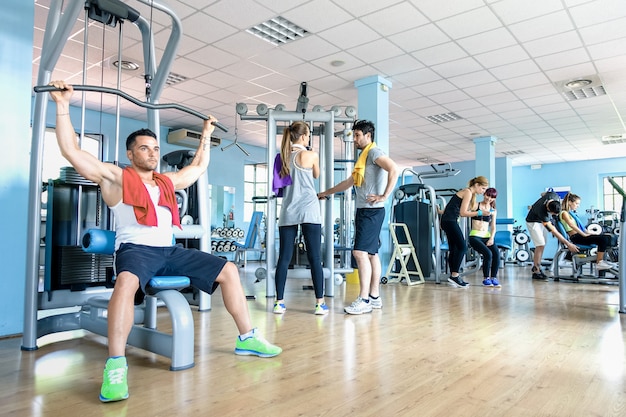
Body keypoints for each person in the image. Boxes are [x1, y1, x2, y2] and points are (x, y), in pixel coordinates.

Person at [47, 80, 281, 403]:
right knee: (126, 283)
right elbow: (71, 152)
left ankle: (247, 337)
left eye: (155, 149)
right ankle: (115, 364)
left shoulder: (166, 182)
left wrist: (207, 133)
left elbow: (198, 167)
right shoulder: (115, 177)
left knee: (228, 270)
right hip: (135, 250)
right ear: (131, 154)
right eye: (145, 148)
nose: (152, 153)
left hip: (169, 250)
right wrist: (62, 105)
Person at [317, 119, 399, 315]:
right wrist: (326, 192)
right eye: (354, 135)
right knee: (371, 254)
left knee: (359, 253)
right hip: (367, 211)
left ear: (368, 136)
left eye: (357, 135)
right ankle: (375, 297)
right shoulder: (363, 158)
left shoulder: (373, 152)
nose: (354, 139)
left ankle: (364, 299)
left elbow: (393, 169)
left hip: (371, 211)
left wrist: (384, 196)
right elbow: (349, 182)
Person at [273, 121, 328, 315]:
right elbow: (316, 175)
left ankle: (279, 303)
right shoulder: (311, 155)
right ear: (304, 136)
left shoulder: (281, 157)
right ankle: (319, 303)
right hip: (309, 210)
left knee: (284, 258)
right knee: (314, 258)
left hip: (288, 210)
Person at [440, 176, 489, 288]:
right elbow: (463, 213)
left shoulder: (468, 193)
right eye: (483, 188)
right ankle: (454, 275)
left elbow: (453, 208)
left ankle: (453, 276)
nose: (483, 192)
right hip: (450, 221)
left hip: (448, 221)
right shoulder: (467, 192)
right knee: (462, 247)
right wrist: (480, 213)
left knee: (454, 248)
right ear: (476, 185)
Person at [525, 190, 579, 280]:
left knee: (543, 244)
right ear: (548, 210)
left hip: (541, 220)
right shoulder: (543, 212)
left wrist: (540, 199)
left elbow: (543, 194)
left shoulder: (554, 196)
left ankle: (537, 266)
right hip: (533, 222)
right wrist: (568, 244)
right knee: (540, 244)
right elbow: (553, 231)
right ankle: (536, 271)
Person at [559, 192, 614, 270]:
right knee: (603, 239)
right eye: (577, 203)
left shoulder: (571, 214)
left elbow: (581, 228)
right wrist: (584, 234)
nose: (578, 206)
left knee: (607, 237)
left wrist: (590, 233)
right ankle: (599, 262)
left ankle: (604, 260)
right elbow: (572, 225)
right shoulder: (564, 213)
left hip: (579, 235)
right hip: (576, 237)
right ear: (570, 202)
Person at [468, 187, 501, 287]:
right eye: (488, 195)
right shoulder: (475, 205)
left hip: (486, 236)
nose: (489, 198)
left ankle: (493, 277)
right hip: (475, 235)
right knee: (488, 253)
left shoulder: (493, 210)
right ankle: (486, 278)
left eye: (492, 197)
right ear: (484, 194)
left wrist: (491, 238)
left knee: (496, 253)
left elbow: (493, 227)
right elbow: (463, 212)